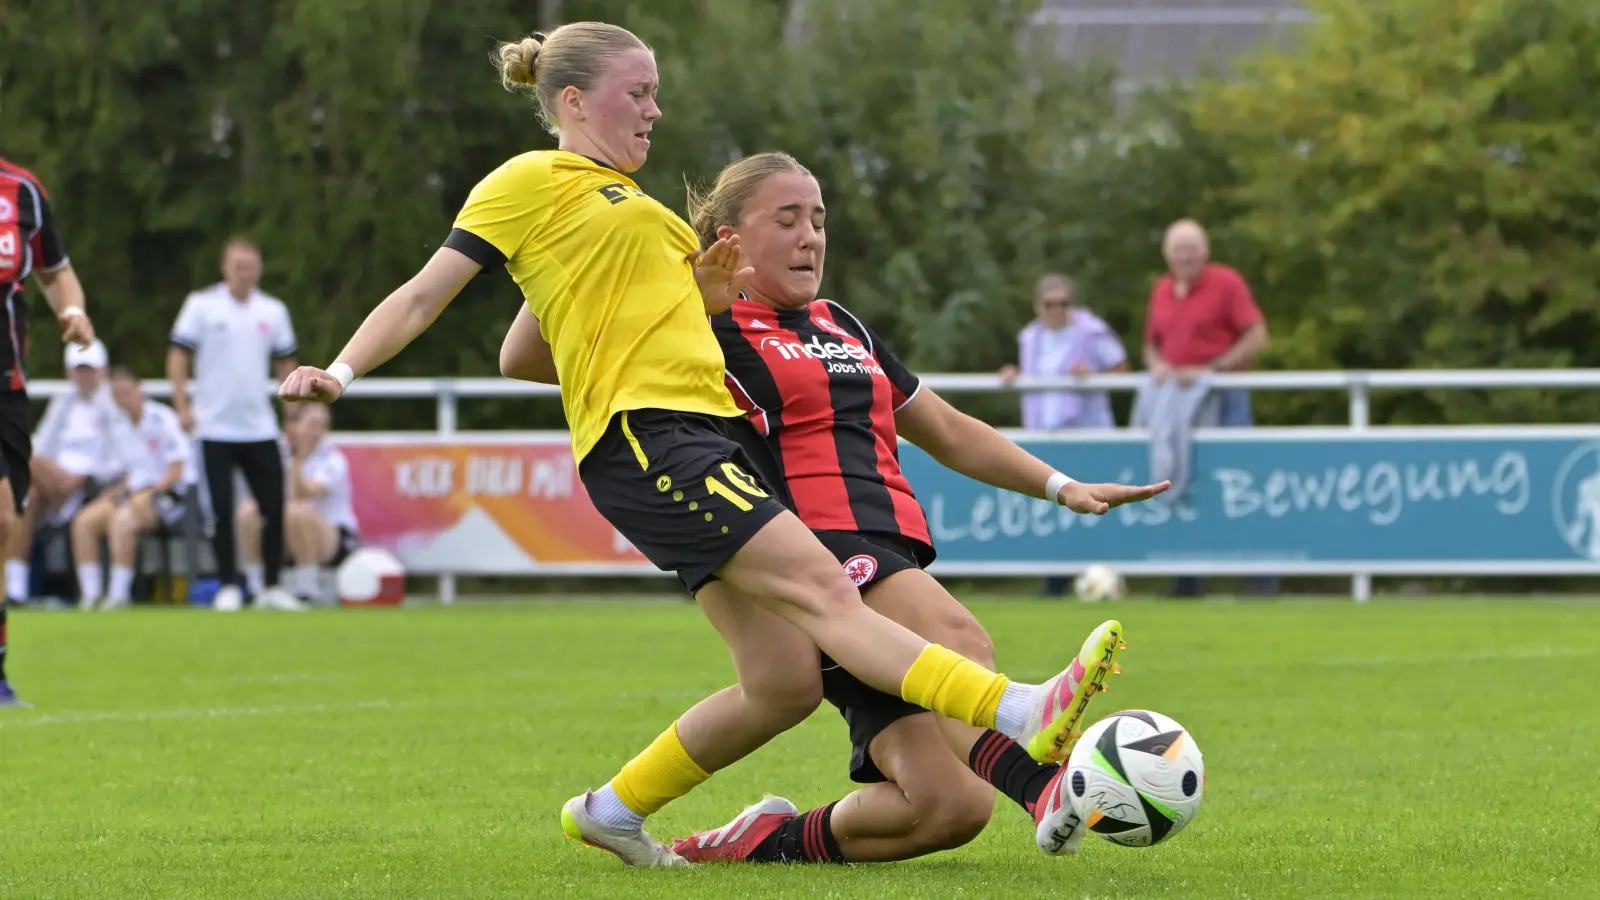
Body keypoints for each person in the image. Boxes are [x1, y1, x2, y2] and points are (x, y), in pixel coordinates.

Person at [276, 22, 1164, 867]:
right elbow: (434, 298)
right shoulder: (528, 179)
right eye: (640, 92)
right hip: (650, 437)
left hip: (701, 443)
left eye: (659, 93)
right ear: (576, 100)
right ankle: (1018, 710)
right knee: (827, 592)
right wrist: (342, 371)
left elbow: (611, 316)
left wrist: (695, 295)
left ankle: (611, 813)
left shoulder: (647, 215)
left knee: (784, 683)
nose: (657, 111)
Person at [503, 151, 1157, 863]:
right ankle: (1043, 788)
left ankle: (749, 843)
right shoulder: (695, 324)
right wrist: (577, 260)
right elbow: (541, 354)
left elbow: (946, 429)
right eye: (786, 220)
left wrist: (1063, 487)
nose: (810, 236)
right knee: (954, 635)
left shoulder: (841, 323)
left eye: (817, 219)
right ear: (726, 235)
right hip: (812, 545)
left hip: (889, 544)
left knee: (946, 809)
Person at [0, 156, 97, 706]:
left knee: (2, 522)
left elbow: (55, 270)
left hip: (6, 384)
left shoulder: (23, 191)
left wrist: (74, 310)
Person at [168, 237, 303, 612]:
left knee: (273, 506)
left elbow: (285, 362)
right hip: (214, 427)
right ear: (225, 268)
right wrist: (182, 404)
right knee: (221, 509)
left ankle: (272, 585)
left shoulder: (273, 311)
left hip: (259, 426)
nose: (245, 274)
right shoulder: (202, 306)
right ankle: (229, 583)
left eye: (252, 267)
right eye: (238, 266)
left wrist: (290, 414)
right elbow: (178, 355)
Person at [1142, 219, 1269, 597]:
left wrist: (1212, 370)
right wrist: (1158, 367)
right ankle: (1187, 577)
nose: (1185, 257)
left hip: (1223, 398)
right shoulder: (1162, 289)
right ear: (1167, 254)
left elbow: (1257, 334)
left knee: (1235, 481)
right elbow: (1151, 344)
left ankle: (1260, 574)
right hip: (1174, 404)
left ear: (1204, 252)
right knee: (1181, 476)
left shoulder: (1226, 283)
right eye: (1178, 251)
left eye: (1191, 250)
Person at [1000, 272, 1130, 596]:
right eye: (1050, 303)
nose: (1057, 309)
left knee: (1094, 502)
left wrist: (1094, 374)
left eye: (1063, 303)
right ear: (1038, 306)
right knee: (1051, 502)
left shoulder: (1092, 331)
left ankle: (1102, 575)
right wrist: (1013, 375)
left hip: (1087, 433)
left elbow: (1123, 370)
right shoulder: (1029, 337)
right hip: (1044, 434)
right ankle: (1054, 581)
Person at [5, 339, 117, 610]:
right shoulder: (63, 403)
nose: (84, 375)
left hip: (91, 483)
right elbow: (42, 445)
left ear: (102, 370)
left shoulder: (112, 405)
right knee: (27, 495)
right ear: (70, 371)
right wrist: (59, 477)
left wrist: (81, 477)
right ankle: (15, 588)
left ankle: (16, 582)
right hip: (54, 483)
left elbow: (118, 455)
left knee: (19, 461)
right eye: (79, 369)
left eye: (89, 369)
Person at [70, 367, 193, 610]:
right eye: (117, 394)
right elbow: (131, 469)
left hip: (167, 497)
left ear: (139, 389)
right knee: (84, 521)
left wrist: (150, 492)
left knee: (122, 519)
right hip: (132, 494)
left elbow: (177, 469)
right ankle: (91, 595)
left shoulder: (162, 418)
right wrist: (119, 490)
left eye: (127, 392)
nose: (123, 399)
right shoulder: (119, 426)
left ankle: (118, 594)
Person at [237, 403, 358, 603]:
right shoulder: (274, 453)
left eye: (323, 425)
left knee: (296, 513)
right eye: (311, 424)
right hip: (284, 533)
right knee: (248, 511)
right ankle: (256, 586)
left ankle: (307, 590)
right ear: (293, 426)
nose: (317, 431)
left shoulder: (334, 460)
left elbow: (304, 494)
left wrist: (296, 458)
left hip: (331, 537)